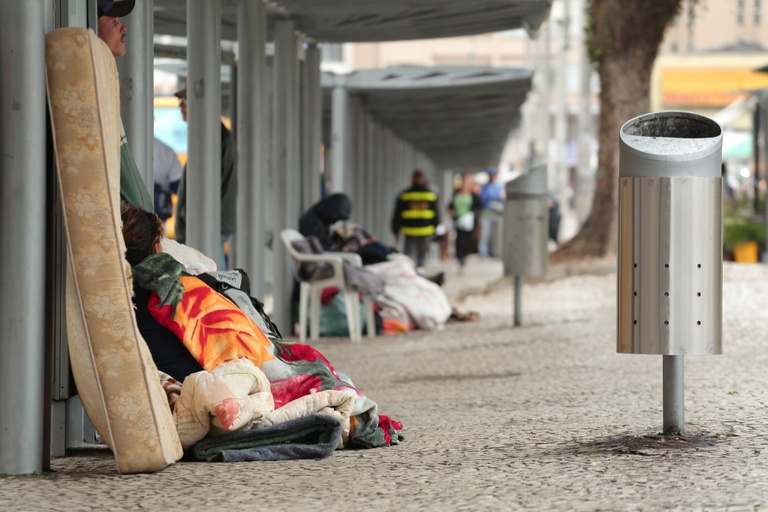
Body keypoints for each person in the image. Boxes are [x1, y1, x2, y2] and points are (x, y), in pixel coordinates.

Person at [120, 205, 402, 448]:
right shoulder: (182, 290)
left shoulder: (124, 300)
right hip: (216, 378)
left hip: (191, 380)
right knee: (313, 367)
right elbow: (241, 342)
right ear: (157, 246)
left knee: (317, 369)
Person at [97, 0, 154, 212]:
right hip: (134, 228)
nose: (124, 27)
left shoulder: (104, 79)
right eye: (114, 21)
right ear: (93, 29)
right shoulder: (94, 85)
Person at [172, 88, 238, 271]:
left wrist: (189, 219)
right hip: (211, 221)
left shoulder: (212, 138)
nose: (180, 107)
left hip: (209, 222)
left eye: (184, 101)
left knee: (212, 274)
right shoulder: (212, 135)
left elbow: (204, 188)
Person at [391, 169, 441, 268]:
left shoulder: (404, 195)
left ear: (412, 180)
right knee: (423, 258)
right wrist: (435, 230)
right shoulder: (430, 195)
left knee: (409, 258)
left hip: (410, 232)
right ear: (423, 180)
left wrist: (396, 231)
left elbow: (397, 215)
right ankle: (420, 277)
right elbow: (437, 215)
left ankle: (411, 277)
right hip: (426, 232)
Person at [448, 174, 482, 272]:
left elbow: (478, 206)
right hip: (458, 220)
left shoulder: (473, 195)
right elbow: (450, 205)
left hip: (469, 221)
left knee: (467, 239)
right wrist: (452, 211)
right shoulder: (456, 194)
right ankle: (460, 257)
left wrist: (473, 213)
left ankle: (465, 256)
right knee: (459, 239)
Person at [153, 137, 183, 223]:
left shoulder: (120, 144)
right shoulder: (165, 150)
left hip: (127, 216)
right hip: (158, 216)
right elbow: (178, 187)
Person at [478, 166, 506, 258]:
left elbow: (501, 197)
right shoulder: (484, 187)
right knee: (484, 234)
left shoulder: (498, 187)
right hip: (486, 213)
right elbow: (482, 198)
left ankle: (496, 252)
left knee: (497, 234)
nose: (492, 177)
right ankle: (483, 252)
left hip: (496, 213)